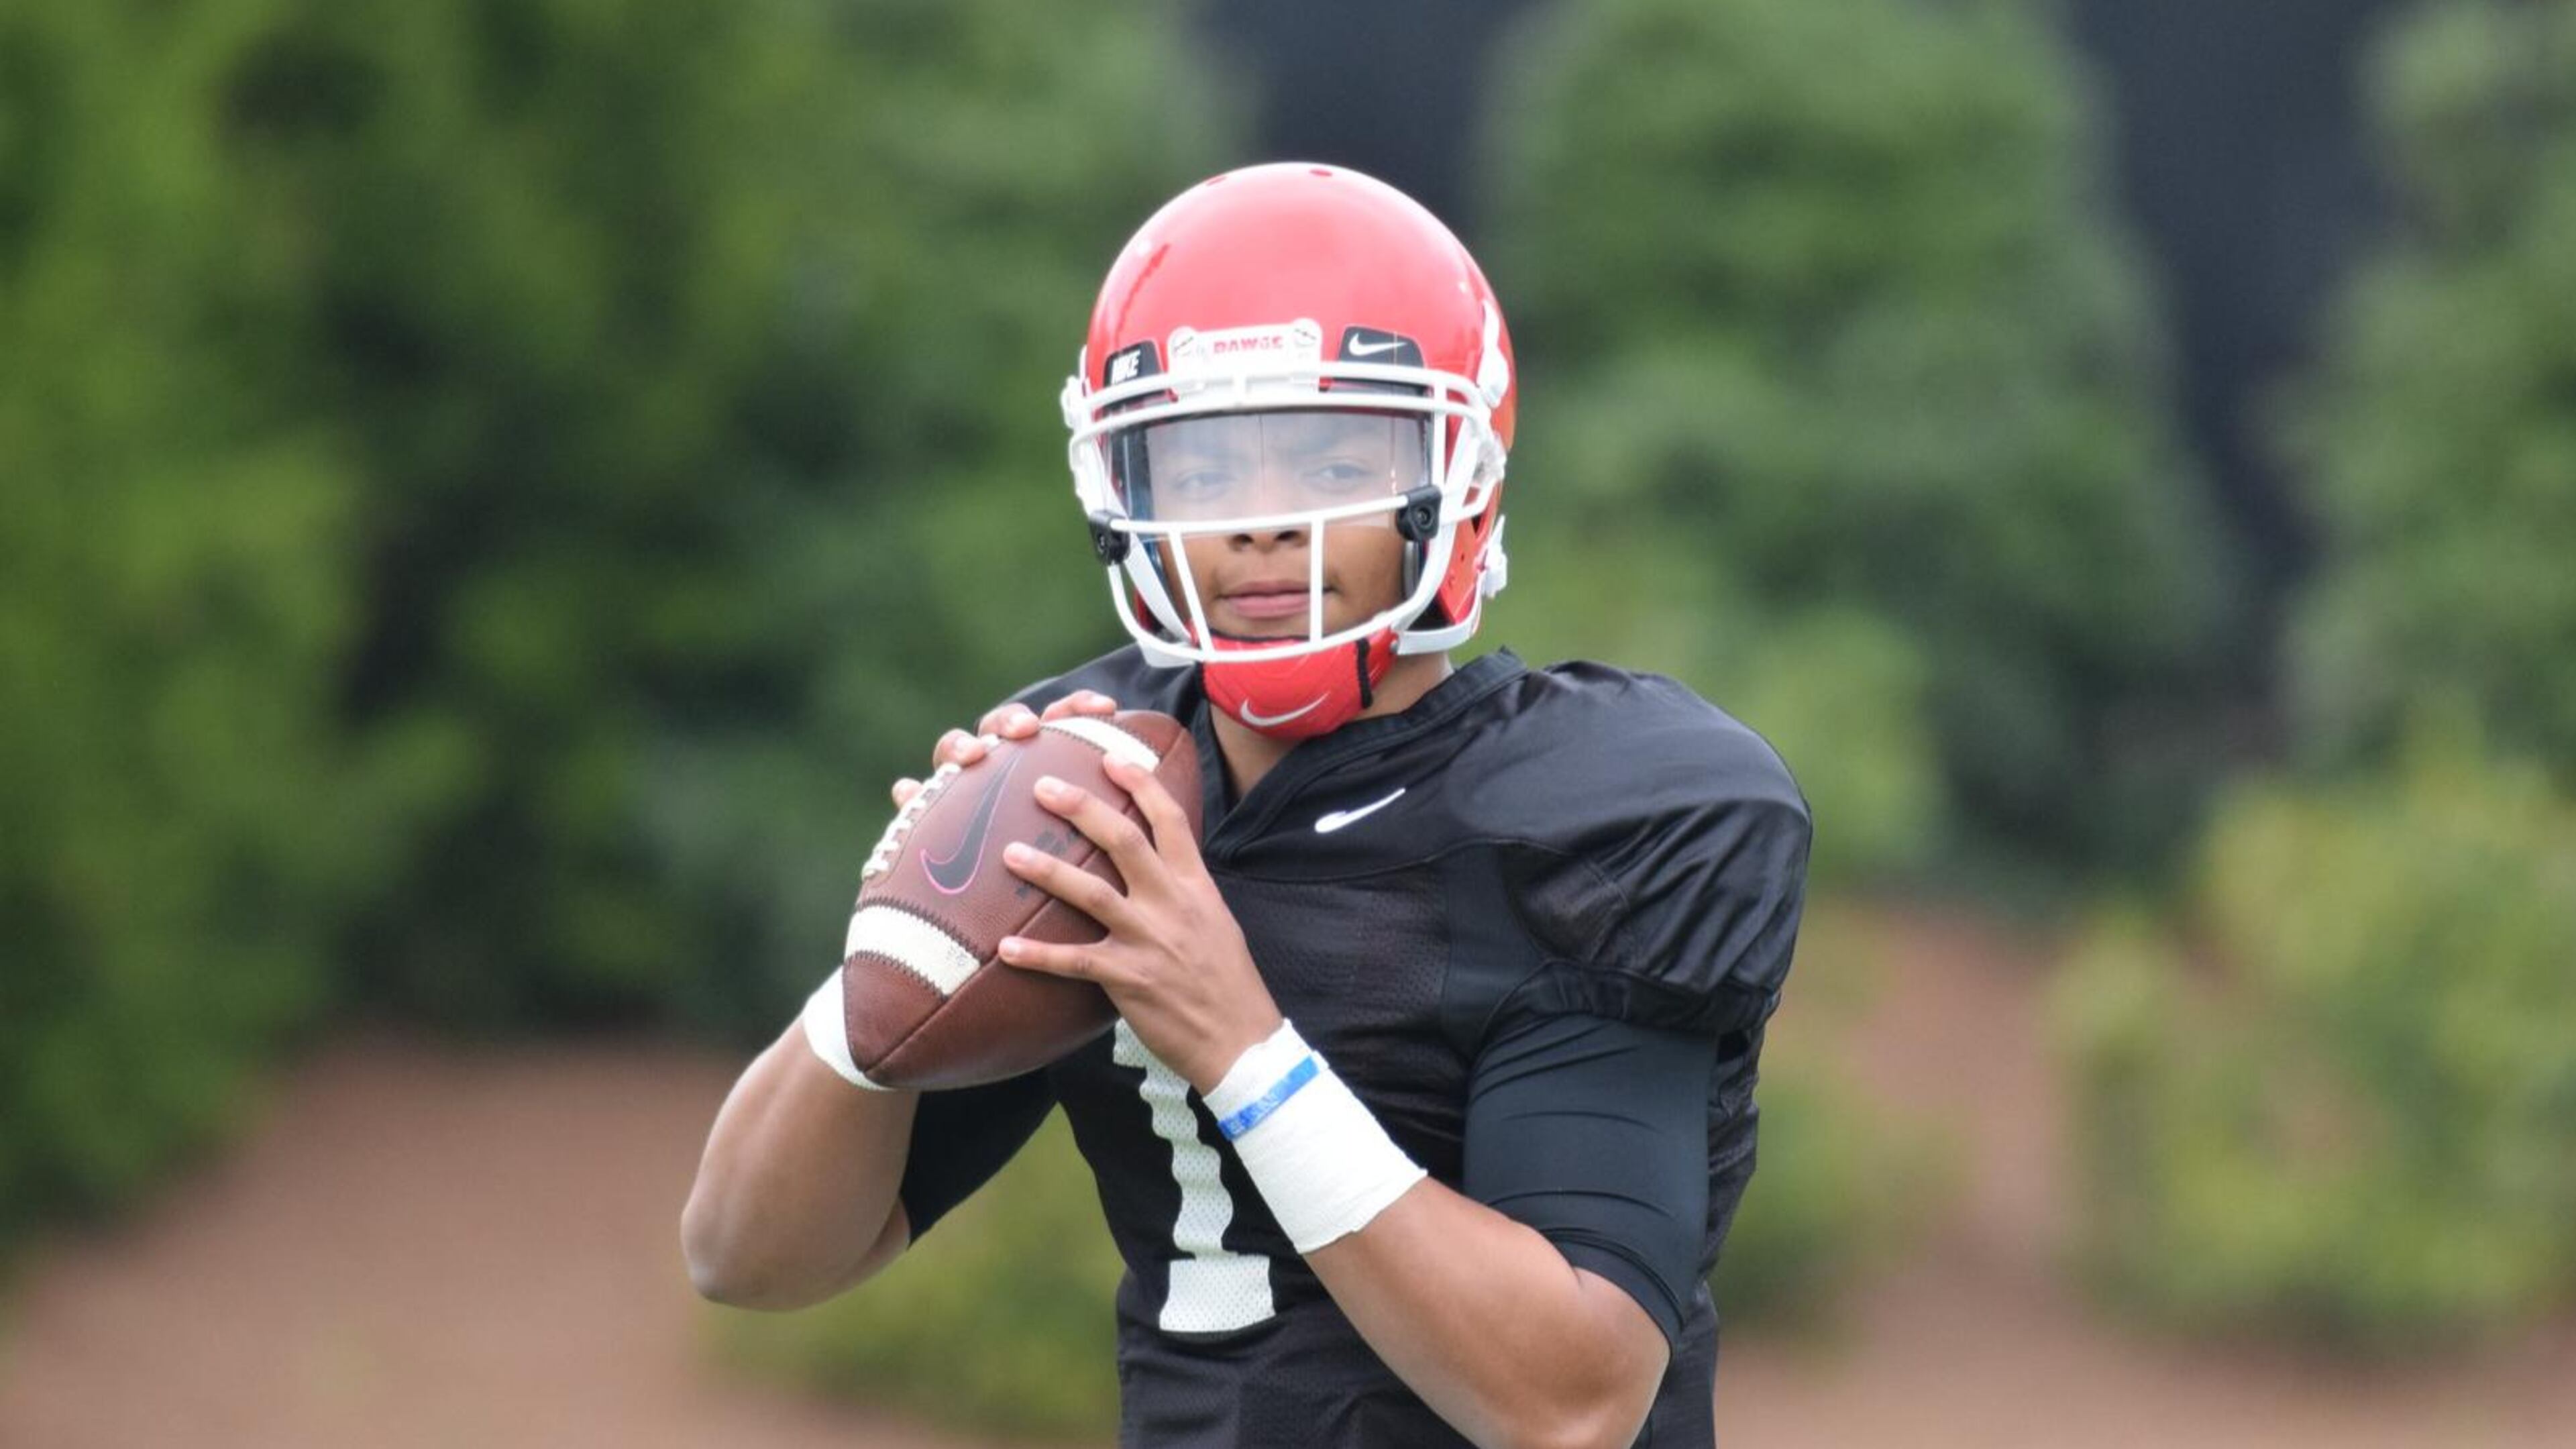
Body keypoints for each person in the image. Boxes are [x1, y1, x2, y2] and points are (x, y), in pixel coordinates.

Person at [683, 162, 1811, 1449]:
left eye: (1335, 458)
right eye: (1207, 469)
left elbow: (1570, 1402)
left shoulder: (1600, 818)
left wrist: (1238, 1039)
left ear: (1461, 475)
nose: (1264, 524)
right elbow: (743, 1256)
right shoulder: (1101, 784)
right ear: (1122, 489)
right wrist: (897, 961)